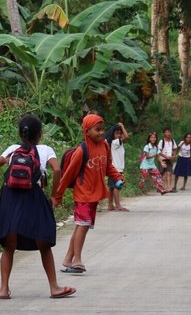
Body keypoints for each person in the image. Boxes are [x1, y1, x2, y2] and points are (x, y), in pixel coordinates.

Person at [0, 115, 75, 300]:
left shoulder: (12, 149)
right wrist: (54, 195)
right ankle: (54, 287)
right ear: (40, 134)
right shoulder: (45, 150)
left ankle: (3, 289)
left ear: (20, 133)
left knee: (9, 246)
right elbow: (57, 170)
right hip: (33, 197)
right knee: (44, 243)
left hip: (10, 197)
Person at [52, 114, 124, 274]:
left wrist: (117, 176)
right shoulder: (81, 150)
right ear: (87, 131)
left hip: (95, 195)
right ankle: (77, 260)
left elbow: (108, 166)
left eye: (102, 129)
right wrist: (58, 195)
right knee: (82, 226)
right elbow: (68, 175)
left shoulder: (105, 146)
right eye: (97, 130)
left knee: (81, 227)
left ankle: (68, 259)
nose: (101, 133)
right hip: (83, 194)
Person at [106, 123, 129, 211]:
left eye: (120, 133)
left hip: (114, 167)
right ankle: (118, 205)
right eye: (117, 133)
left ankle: (110, 205)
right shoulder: (115, 142)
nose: (119, 135)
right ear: (113, 134)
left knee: (112, 187)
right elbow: (126, 136)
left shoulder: (115, 143)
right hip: (116, 168)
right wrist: (123, 126)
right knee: (116, 186)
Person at [157, 128, 178, 193]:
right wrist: (164, 157)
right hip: (162, 159)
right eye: (166, 132)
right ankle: (159, 187)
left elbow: (175, 148)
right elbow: (158, 151)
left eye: (169, 132)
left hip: (169, 160)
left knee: (169, 173)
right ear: (164, 133)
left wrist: (174, 155)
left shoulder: (172, 141)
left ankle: (169, 188)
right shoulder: (161, 141)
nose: (168, 133)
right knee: (161, 174)